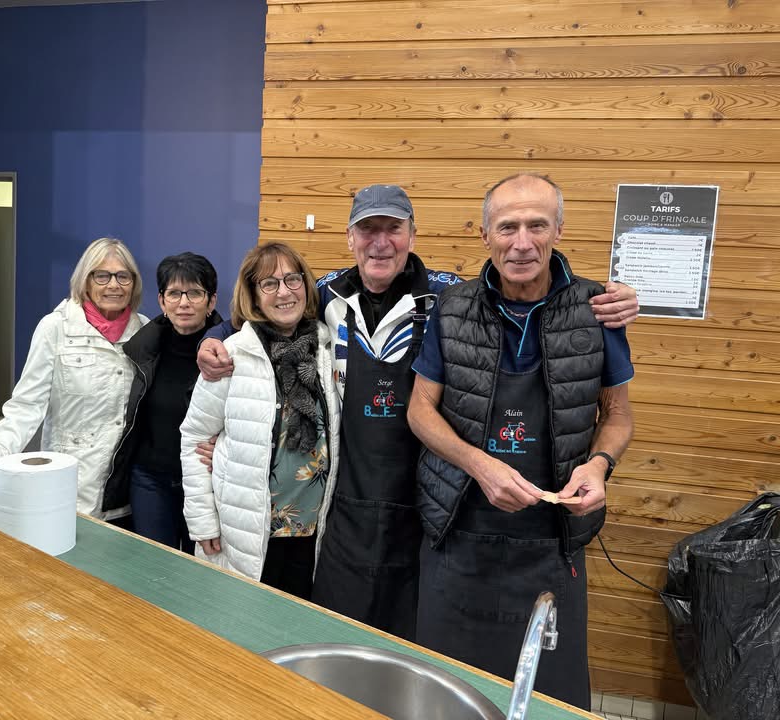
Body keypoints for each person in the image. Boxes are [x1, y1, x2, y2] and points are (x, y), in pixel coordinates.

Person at [198, 184, 640, 639]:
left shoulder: (449, 298)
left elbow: (520, 288)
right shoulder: (326, 294)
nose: (380, 242)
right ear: (350, 238)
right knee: (334, 636)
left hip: (425, 508)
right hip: (344, 504)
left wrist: (617, 297)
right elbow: (260, 318)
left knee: (408, 644)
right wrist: (212, 339)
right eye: (367, 230)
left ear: (412, 234)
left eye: (393, 228)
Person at [407, 173, 635, 710]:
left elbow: (619, 416)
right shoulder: (453, 308)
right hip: (458, 535)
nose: (522, 243)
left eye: (537, 225)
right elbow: (419, 410)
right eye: (508, 227)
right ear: (485, 234)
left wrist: (598, 465)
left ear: (559, 230)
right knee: (446, 696)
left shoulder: (596, 310)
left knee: (548, 701)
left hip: (552, 543)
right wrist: (479, 465)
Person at [180, 243, 341, 599]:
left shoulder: (328, 350)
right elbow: (194, 438)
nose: (284, 292)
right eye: (269, 283)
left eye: (292, 279)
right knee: (242, 619)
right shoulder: (231, 355)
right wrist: (202, 520)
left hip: (312, 530)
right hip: (246, 530)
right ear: (253, 294)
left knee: (297, 623)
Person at [0, 237, 146, 524]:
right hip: (72, 483)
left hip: (128, 488)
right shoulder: (56, 328)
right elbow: (28, 403)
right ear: (85, 281)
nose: (114, 285)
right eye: (102, 275)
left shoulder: (145, 331)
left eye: (123, 276)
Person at [103, 253, 222, 552]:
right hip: (150, 479)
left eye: (195, 293)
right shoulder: (144, 347)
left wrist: (226, 446)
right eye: (174, 293)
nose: (184, 303)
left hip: (207, 481)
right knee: (155, 565)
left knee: (203, 566)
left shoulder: (226, 351)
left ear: (211, 301)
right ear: (161, 301)